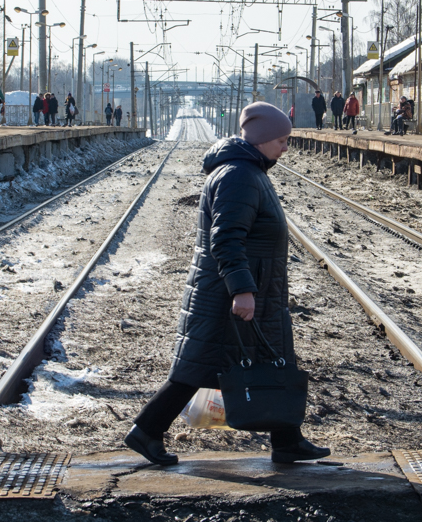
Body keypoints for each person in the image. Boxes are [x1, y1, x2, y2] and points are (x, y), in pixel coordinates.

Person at [126, 101, 330, 466]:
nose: (286, 147)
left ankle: (287, 439)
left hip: (252, 287)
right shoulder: (239, 175)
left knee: (269, 360)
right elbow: (227, 238)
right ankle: (146, 431)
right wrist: (242, 289)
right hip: (234, 291)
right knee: (197, 368)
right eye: (282, 140)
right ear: (263, 139)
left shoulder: (247, 170)